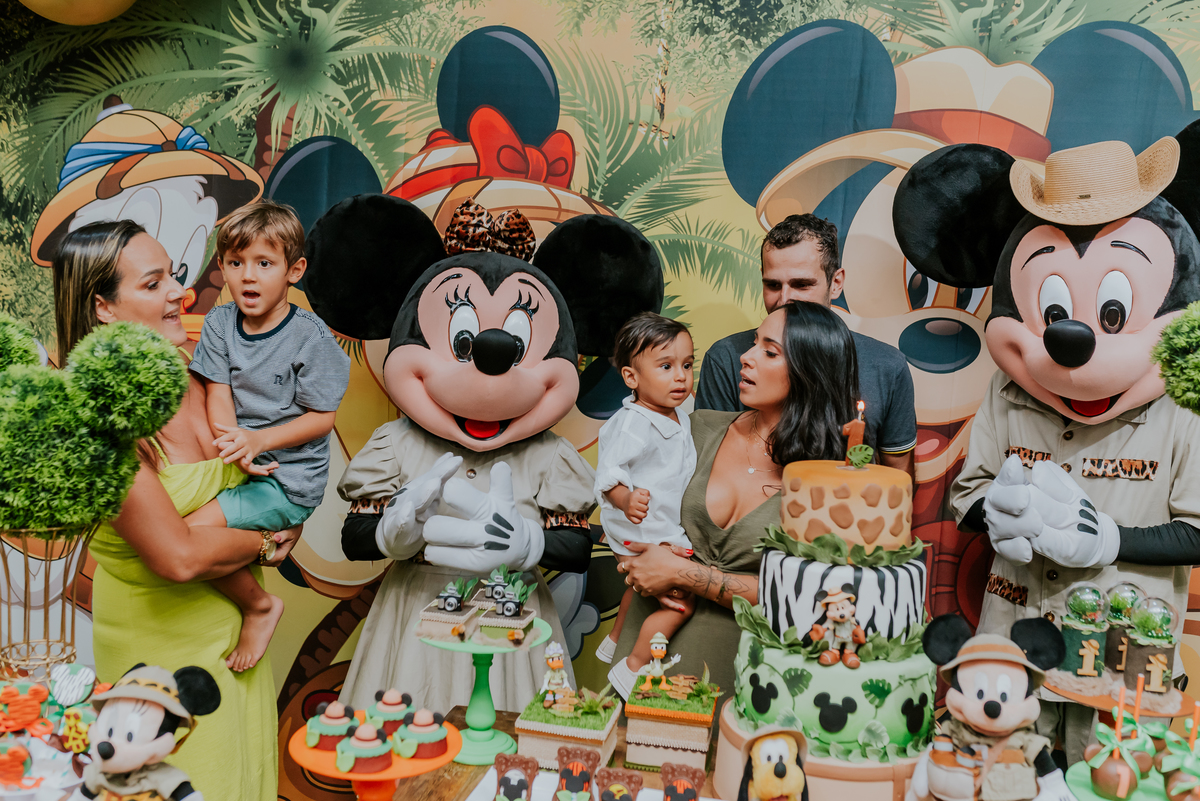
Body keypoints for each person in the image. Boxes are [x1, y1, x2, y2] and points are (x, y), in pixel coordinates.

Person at [52, 219, 292, 801]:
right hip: (155, 658)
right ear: (103, 307)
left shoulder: (201, 373)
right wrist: (262, 545)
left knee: (242, 779)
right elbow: (178, 556)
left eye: (175, 277)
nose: (178, 294)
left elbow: (276, 483)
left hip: (237, 645)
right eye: (154, 283)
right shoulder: (92, 421)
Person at [610, 300, 861, 711]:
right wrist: (637, 561)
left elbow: (806, 597)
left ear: (809, 371)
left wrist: (686, 573)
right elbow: (627, 505)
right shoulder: (694, 428)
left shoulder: (830, 482)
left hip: (742, 674)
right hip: (646, 653)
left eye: (769, 351)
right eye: (753, 343)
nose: (745, 357)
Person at [187, 201, 350, 672]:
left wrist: (258, 443)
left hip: (286, 477)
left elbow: (321, 419)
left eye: (264, 263)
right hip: (238, 456)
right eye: (236, 263)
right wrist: (233, 444)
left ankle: (259, 605)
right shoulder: (219, 323)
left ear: (294, 270)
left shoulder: (312, 339)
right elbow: (217, 393)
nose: (248, 277)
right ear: (221, 267)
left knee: (190, 534)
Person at [694, 213, 916, 477]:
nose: (785, 299)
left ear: (836, 283)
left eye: (801, 284)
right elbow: (711, 473)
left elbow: (898, 477)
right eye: (773, 285)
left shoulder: (886, 367)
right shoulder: (728, 357)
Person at [592, 313, 697, 671]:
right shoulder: (634, 423)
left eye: (687, 364)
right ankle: (634, 664)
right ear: (631, 377)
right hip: (641, 527)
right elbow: (608, 474)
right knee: (682, 596)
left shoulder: (678, 414)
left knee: (637, 589)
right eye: (666, 366)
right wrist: (625, 499)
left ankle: (614, 640)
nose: (681, 376)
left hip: (658, 521)